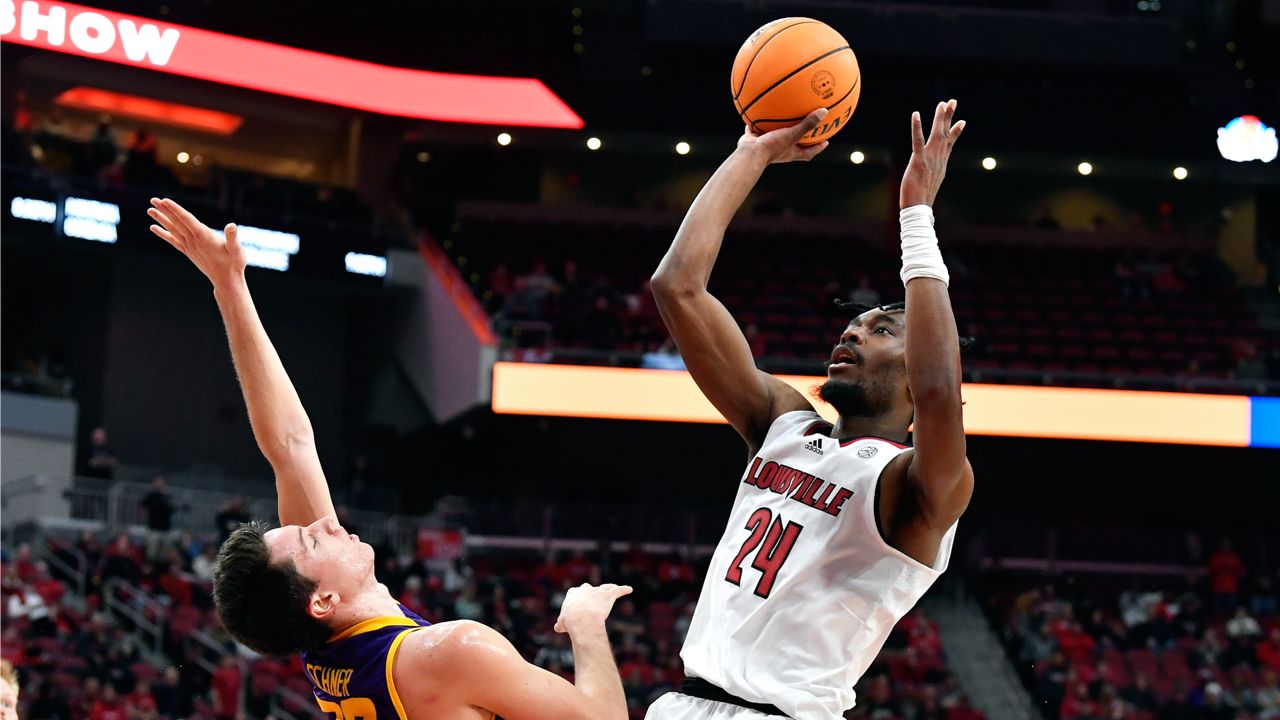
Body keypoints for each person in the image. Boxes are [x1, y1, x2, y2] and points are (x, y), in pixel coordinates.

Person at [146, 197, 631, 720]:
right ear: (323, 601)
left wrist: (230, 285)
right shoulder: (449, 652)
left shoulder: (323, 642)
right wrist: (585, 625)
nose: (326, 525)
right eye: (311, 539)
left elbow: (288, 447)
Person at [645, 101, 972, 720]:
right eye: (850, 324)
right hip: (684, 703)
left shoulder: (918, 486)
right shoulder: (782, 424)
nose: (851, 334)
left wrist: (915, 220)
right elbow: (677, 288)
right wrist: (754, 152)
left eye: (881, 330)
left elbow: (937, 391)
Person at [139, 476, 176, 561]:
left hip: (166, 529)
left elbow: (171, 509)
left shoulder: (167, 497)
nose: (159, 485)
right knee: (151, 552)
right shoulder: (151, 496)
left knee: (164, 554)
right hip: (154, 529)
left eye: (161, 484)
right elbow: (144, 504)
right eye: (158, 483)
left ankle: (160, 570)